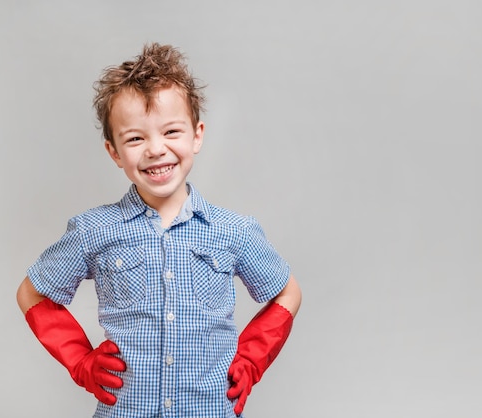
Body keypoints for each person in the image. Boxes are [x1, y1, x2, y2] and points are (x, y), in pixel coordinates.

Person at [16, 42, 302, 418]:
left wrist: (250, 360)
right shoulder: (92, 230)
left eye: (171, 131)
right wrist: (80, 360)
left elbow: (288, 292)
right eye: (135, 138)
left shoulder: (235, 231)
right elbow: (31, 293)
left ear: (197, 135)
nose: (155, 149)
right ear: (114, 152)